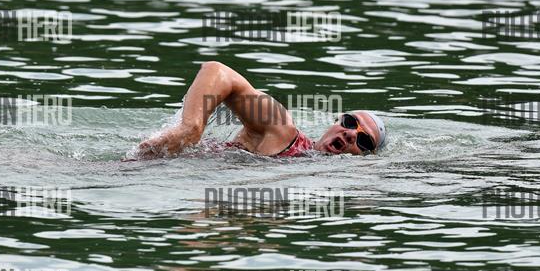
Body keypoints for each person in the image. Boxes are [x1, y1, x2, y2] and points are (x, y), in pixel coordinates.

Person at [131, 61, 386, 159]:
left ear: (366, 158)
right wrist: (191, 127)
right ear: (336, 121)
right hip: (146, 170)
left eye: (364, 140)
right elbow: (217, 71)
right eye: (350, 122)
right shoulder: (283, 131)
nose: (351, 134)